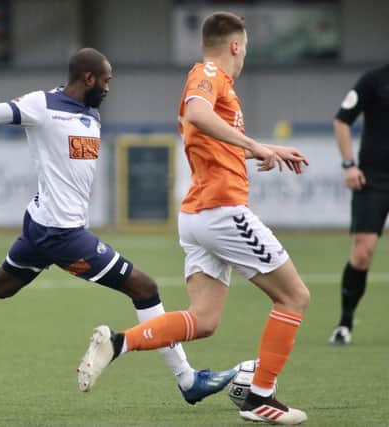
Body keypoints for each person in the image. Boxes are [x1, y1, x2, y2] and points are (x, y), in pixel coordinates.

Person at [0, 48, 236, 404]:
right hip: (61, 235)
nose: (109, 87)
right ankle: (188, 381)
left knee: (1, 285)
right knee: (145, 288)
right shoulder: (42, 104)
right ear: (88, 78)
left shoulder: (90, 113)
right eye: (107, 80)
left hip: (42, 225)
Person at [76, 13, 311, 425]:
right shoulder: (208, 73)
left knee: (203, 321)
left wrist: (265, 148)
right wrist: (255, 144)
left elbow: (209, 136)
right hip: (222, 211)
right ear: (236, 45)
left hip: (199, 216)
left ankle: (117, 343)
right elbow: (199, 113)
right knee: (294, 297)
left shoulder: (216, 84)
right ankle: (260, 397)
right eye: (246, 48)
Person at [329, 63, 389, 345]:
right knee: (362, 253)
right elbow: (342, 120)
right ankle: (345, 323)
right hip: (372, 179)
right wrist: (349, 165)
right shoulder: (374, 79)